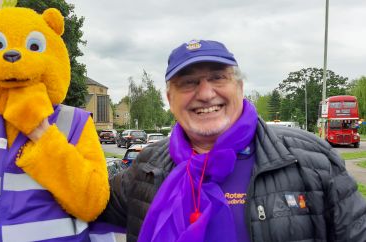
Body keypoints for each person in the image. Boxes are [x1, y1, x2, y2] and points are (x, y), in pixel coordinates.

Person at [99, 39, 366, 242]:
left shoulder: (312, 160)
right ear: (170, 100)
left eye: (217, 77)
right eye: (188, 83)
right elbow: (82, 200)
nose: (205, 94)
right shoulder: (147, 167)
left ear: (239, 87)